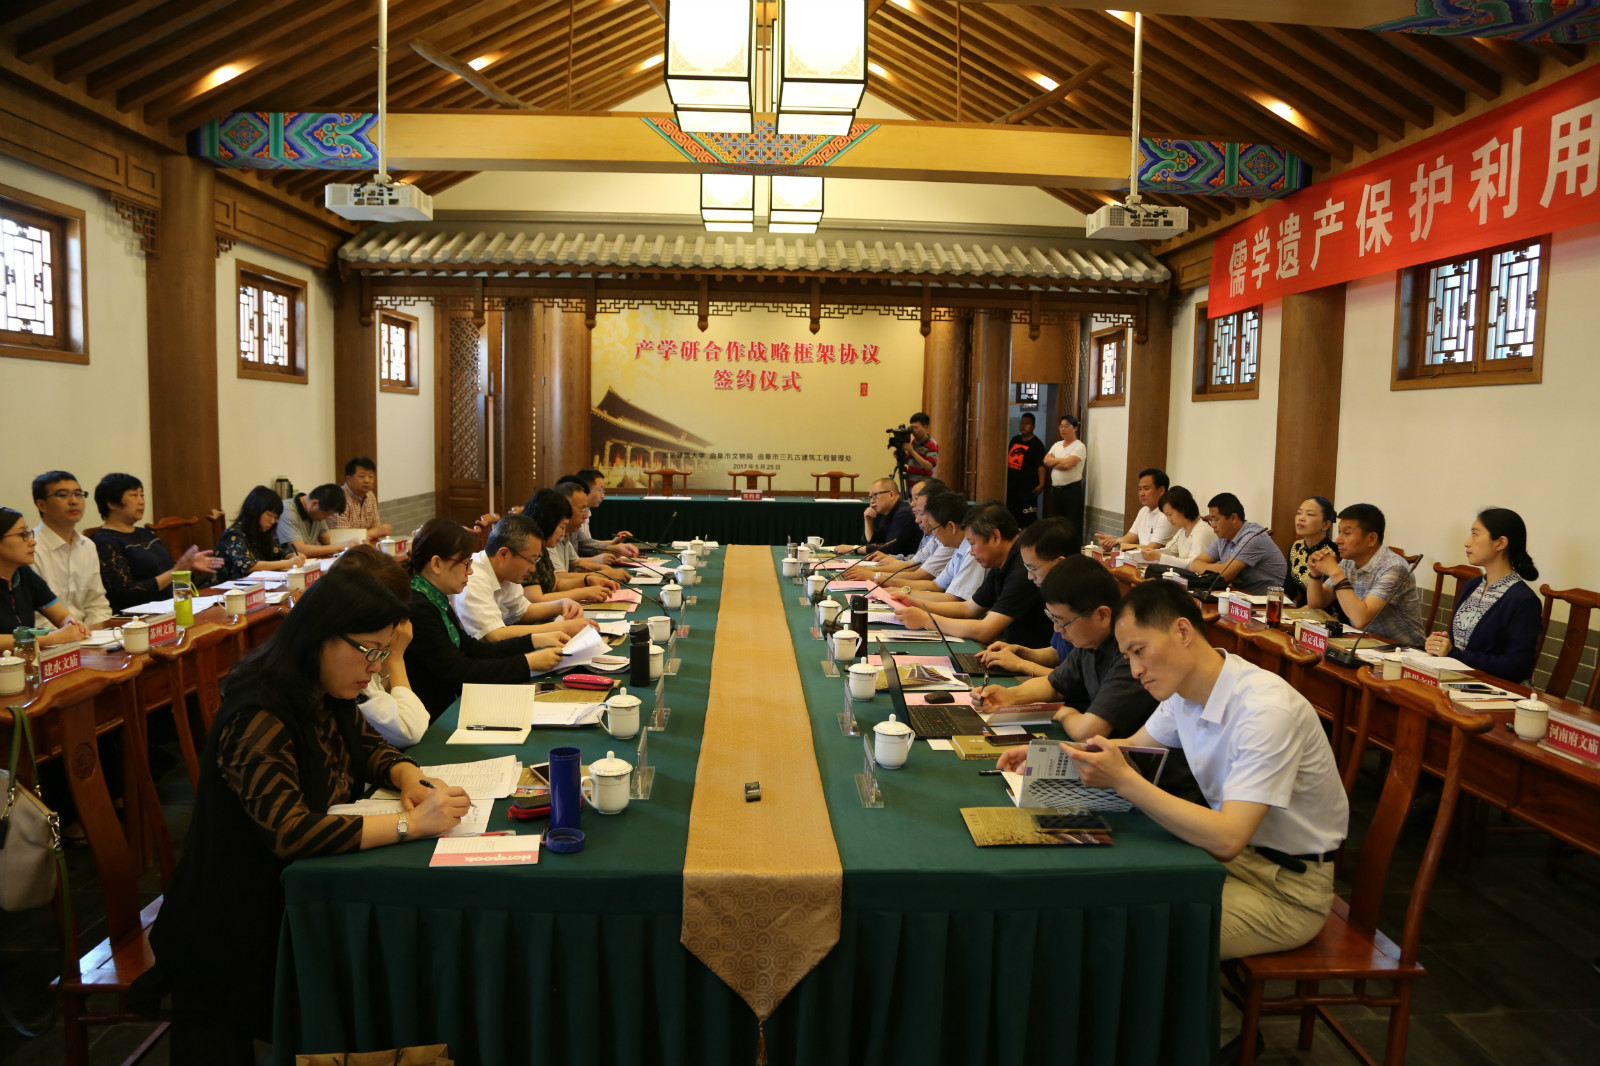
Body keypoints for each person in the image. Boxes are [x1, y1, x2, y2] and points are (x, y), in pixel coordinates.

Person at [144, 568, 472, 1062]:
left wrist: (409, 777)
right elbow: (289, 831)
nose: (375, 669)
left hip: (294, 894)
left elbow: (368, 748)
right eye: (369, 651)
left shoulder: (323, 688)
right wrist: (411, 824)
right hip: (238, 921)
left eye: (383, 654)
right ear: (321, 636)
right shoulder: (260, 713)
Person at [1063, 580, 1347, 971]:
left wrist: (1125, 781)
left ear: (1182, 632)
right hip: (1224, 860)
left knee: (1130, 931)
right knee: (1100, 888)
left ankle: (1209, 1012)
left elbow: (1228, 837)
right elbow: (1127, 749)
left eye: (1140, 651)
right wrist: (1049, 755)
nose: (1135, 670)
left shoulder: (1265, 711)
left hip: (1284, 889)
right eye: (1127, 656)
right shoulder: (1184, 691)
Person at [403, 518, 565, 718]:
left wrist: (533, 641)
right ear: (437, 564)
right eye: (465, 563)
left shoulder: (434, 597)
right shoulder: (418, 608)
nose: (470, 571)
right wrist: (527, 662)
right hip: (440, 715)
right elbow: (460, 669)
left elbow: (473, 648)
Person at [889, 502, 1052, 647]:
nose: (971, 552)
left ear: (995, 537)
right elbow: (968, 608)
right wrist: (917, 604)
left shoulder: (1024, 568)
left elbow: (985, 630)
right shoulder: (1001, 560)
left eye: (972, 543)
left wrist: (927, 620)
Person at [326, 545, 429, 747]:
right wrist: (395, 658)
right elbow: (408, 730)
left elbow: (377, 751)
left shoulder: (361, 649)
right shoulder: (347, 661)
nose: (376, 665)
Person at [1426, 508, 1543, 681]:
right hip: (1456, 678)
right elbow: (1458, 643)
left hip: (1491, 688)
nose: (1467, 542)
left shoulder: (1523, 600)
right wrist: (1440, 643)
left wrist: (1454, 654)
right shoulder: (1472, 585)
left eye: (1475, 534)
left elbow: (1518, 667)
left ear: (1500, 543)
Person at [91, 472, 219, 612]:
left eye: (142, 495)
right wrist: (177, 570)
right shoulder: (104, 542)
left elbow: (168, 575)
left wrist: (188, 567)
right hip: (139, 617)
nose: (141, 501)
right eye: (134, 495)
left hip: (172, 607)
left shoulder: (146, 534)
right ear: (111, 503)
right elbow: (126, 593)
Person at [453, 514, 591, 643]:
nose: (533, 569)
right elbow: (494, 635)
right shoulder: (473, 578)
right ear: (504, 554)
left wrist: (561, 605)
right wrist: (561, 628)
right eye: (530, 561)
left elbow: (523, 611)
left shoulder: (505, 572)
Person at [1305, 503, 1426, 646]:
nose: (1338, 540)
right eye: (1339, 532)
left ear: (1371, 539)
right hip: (1366, 643)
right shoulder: (1349, 562)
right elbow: (1316, 604)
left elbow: (1361, 618)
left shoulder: (1394, 567)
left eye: (1347, 533)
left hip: (1405, 650)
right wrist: (1315, 574)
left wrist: (1335, 572)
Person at [976, 517, 1079, 678]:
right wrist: (1020, 651)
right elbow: (1056, 653)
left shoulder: (1082, 602)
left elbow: (1077, 681)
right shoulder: (1057, 594)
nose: (1030, 576)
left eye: (1033, 568)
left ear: (1059, 563)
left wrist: (1021, 664)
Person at [0, 508, 90, 653]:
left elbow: (61, 615)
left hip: (25, 659)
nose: (33, 542)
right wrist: (52, 638)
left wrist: (72, 624)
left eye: (29, 534)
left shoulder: (23, 573)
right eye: (23, 535)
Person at [29, 471, 111, 628]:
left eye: (79, 494)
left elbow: (96, 604)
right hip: (49, 637)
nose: (74, 501)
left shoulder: (87, 545)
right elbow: (36, 616)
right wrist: (70, 636)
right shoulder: (31, 548)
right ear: (41, 505)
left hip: (88, 635)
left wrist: (92, 635)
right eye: (62, 495)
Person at [843, 478, 952, 585]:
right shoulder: (934, 534)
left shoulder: (906, 515)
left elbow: (920, 575)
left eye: (916, 498)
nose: (912, 504)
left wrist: (872, 574)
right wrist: (868, 570)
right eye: (912, 499)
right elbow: (912, 563)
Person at [519, 488, 617, 603]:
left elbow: (556, 584)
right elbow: (536, 599)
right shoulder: (526, 548)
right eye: (562, 527)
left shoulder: (543, 546)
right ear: (548, 523)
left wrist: (587, 581)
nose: (563, 533)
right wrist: (584, 593)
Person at [888, 492, 984, 601]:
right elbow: (936, 585)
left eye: (933, 528)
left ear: (951, 526)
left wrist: (904, 593)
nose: (933, 534)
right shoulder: (959, 547)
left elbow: (954, 599)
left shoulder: (972, 552)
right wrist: (892, 584)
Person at [1191, 492, 1288, 595]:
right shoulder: (1223, 537)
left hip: (1266, 600)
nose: (1212, 525)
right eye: (1211, 520)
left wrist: (1221, 569)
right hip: (1239, 596)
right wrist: (1223, 568)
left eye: (1216, 520)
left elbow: (1224, 576)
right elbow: (1194, 564)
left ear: (1233, 518)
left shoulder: (1253, 537)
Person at [212, 486, 307, 584]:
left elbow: (278, 553)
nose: (272, 521)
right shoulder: (233, 534)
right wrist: (288, 563)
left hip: (252, 587)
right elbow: (248, 566)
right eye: (269, 515)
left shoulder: (260, 533)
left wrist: (291, 555)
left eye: (276, 518)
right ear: (254, 510)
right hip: (223, 588)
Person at [550, 479, 632, 583]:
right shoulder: (549, 536)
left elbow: (576, 563)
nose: (586, 516)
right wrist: (605, 574)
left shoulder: (565, 534)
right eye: (582, 510)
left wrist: (603, 569)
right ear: (564, 509)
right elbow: (560, 578)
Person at [1095, 468, 1175, 553]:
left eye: (1146, 488)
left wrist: (1117, 544)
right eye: (1139, 489)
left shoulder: (1166, 515)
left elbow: (1152, 548)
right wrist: (1112, 542)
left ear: (1161, 490)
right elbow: (1129, 538)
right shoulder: (1143, 510)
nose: (1141, 493)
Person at [834, 477, 919, 557]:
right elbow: (873, 544)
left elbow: (890, 549)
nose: (872, 501)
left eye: (875, 496)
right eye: (870, 497)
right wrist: (868, 521)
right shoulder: (889, 513)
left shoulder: (904, 514)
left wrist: (854, 549)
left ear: (891, 495)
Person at [1139, 485, 1216, 572]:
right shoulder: (1182, 531)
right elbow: (1169, 551)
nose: (1169, 519)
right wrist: (1150, 553)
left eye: (1170, 514)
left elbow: (1193, 564)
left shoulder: (1202, 531)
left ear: (1183, 509)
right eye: (1166, 515)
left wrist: (1159, 556)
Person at [567, 468, 636, 558]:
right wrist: (613, 549)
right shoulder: (572, 515)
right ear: (585, 490)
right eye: (600, 490)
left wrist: (612, 544)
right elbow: (577, 557)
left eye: (604, 491)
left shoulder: (586, 512)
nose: (603, 495)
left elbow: (587, 543)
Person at [1284, 496, 1338, 607]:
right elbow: (1290, 589)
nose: (1301, 518)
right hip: (1302, 610)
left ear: (1326, 524)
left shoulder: (1334, 554)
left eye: (1309, 514)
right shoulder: (1296, 547)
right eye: (1299, 513)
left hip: (1327, 613)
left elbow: (1326, 600)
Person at [325, 457, 392, 541]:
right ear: (349, 479)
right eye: (362, 476)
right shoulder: (337, 498)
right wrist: (374, 532)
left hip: (364, 545)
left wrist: (378, 531)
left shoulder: (370, 495)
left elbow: (377, 528)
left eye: (371, 476)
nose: (367, 480)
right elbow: (341, 537)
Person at [1042, 414, 1086, 544]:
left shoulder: (1079, 446)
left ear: (1075, 428)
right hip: (1056, 491)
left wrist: (1055, 462)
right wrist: (1061, 461)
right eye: (1061, 426)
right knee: (1056, 525)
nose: (1063, 429)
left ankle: (1074, 552)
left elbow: (1067, 465)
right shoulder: (1057, 445)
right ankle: (1058, 551)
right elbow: (1046, 460)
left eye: (1067, 426)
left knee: (1073, 525)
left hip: (1071, 491)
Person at [276, 483, 347, 560]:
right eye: (326, 514)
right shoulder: (287, 510)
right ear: (314, 504)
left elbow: (328, 541)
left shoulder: (317, 512)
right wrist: (342, 547)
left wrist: (351, 545)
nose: (326, 518)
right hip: (284, 564)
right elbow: (299, 549)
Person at [1006, 413, 1047, 528]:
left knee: (1028, 517)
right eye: (1022, 423)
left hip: (1028, 488)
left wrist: (1041, 484)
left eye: (1027, 423)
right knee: (1011, 515)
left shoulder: (1037, 444)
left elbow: (1041, 466)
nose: (1024, 425)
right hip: (1011, 486)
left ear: (1033, 426)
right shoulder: (1015, 439)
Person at [903, 411, 938, 482]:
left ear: (925, 427)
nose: (913, 431)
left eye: (916, 428)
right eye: (912, 428)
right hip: (910, 483)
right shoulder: (914, 442)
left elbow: (929, 466)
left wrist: (912, 452)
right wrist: (900, 455)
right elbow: (910, 462)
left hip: (922, 484)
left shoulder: (932, 444)